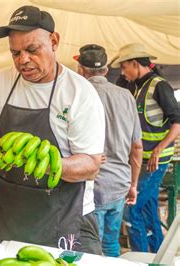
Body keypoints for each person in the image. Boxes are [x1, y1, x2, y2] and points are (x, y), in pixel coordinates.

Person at [0, 5, 106, 254]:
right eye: (15, 52)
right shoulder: (0, 82)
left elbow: (91, 164)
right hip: (9, 215)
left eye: (32, 50)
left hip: (65, 217)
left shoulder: (79, 93)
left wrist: (46, 163)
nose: (23, 60)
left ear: (54, 41)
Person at [111, 43, 180, 253]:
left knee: (131, 210)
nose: (123, 72)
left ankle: (140, 256)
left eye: (124, 67)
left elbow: (177, 122)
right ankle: (158, 254)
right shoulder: (137, 86)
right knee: (149, 209)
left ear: (135, 63)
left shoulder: (159, 86)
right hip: (141, 159)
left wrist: (160, 149)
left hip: (155, 160)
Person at [75, 44, 143, 257]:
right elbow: (137, 146)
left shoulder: (79, 94)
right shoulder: (126, 96)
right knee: (111, 243)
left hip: (89, 187)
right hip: (120, 183)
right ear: (105, 69)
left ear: (81, 70)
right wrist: (133, 184)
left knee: (90, 248)